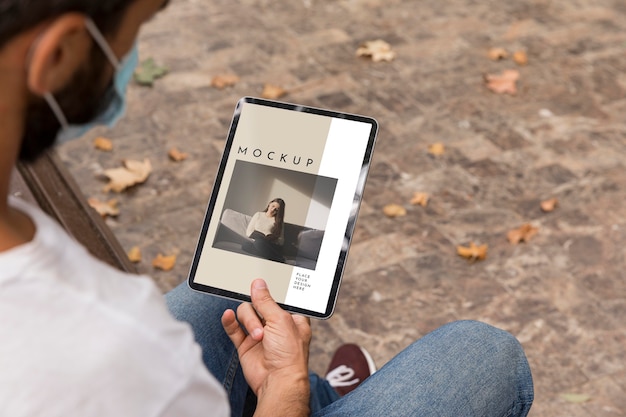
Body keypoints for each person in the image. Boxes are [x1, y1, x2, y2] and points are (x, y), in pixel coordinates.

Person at [0, 1, 534, 416]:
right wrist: (284, 392)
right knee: (484, 357)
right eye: (133, 32)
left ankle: (329, 397)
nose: (129, 55)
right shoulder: (115, 342)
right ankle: (318, 397)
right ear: (61, 54)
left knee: (223, 297)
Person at [243, 198, 286, 262]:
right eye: (273, 206)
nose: (273, 209)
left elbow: (281, 240)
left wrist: (274, 238)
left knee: (259, 243)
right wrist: (256, 236)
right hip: (257, 242)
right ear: (269, 204)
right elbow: (248, 231)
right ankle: (276, 258)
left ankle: (279, 259)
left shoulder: (279, 221)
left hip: (269, 244)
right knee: (245, 245)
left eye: (276, 209)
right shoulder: (258, 214)